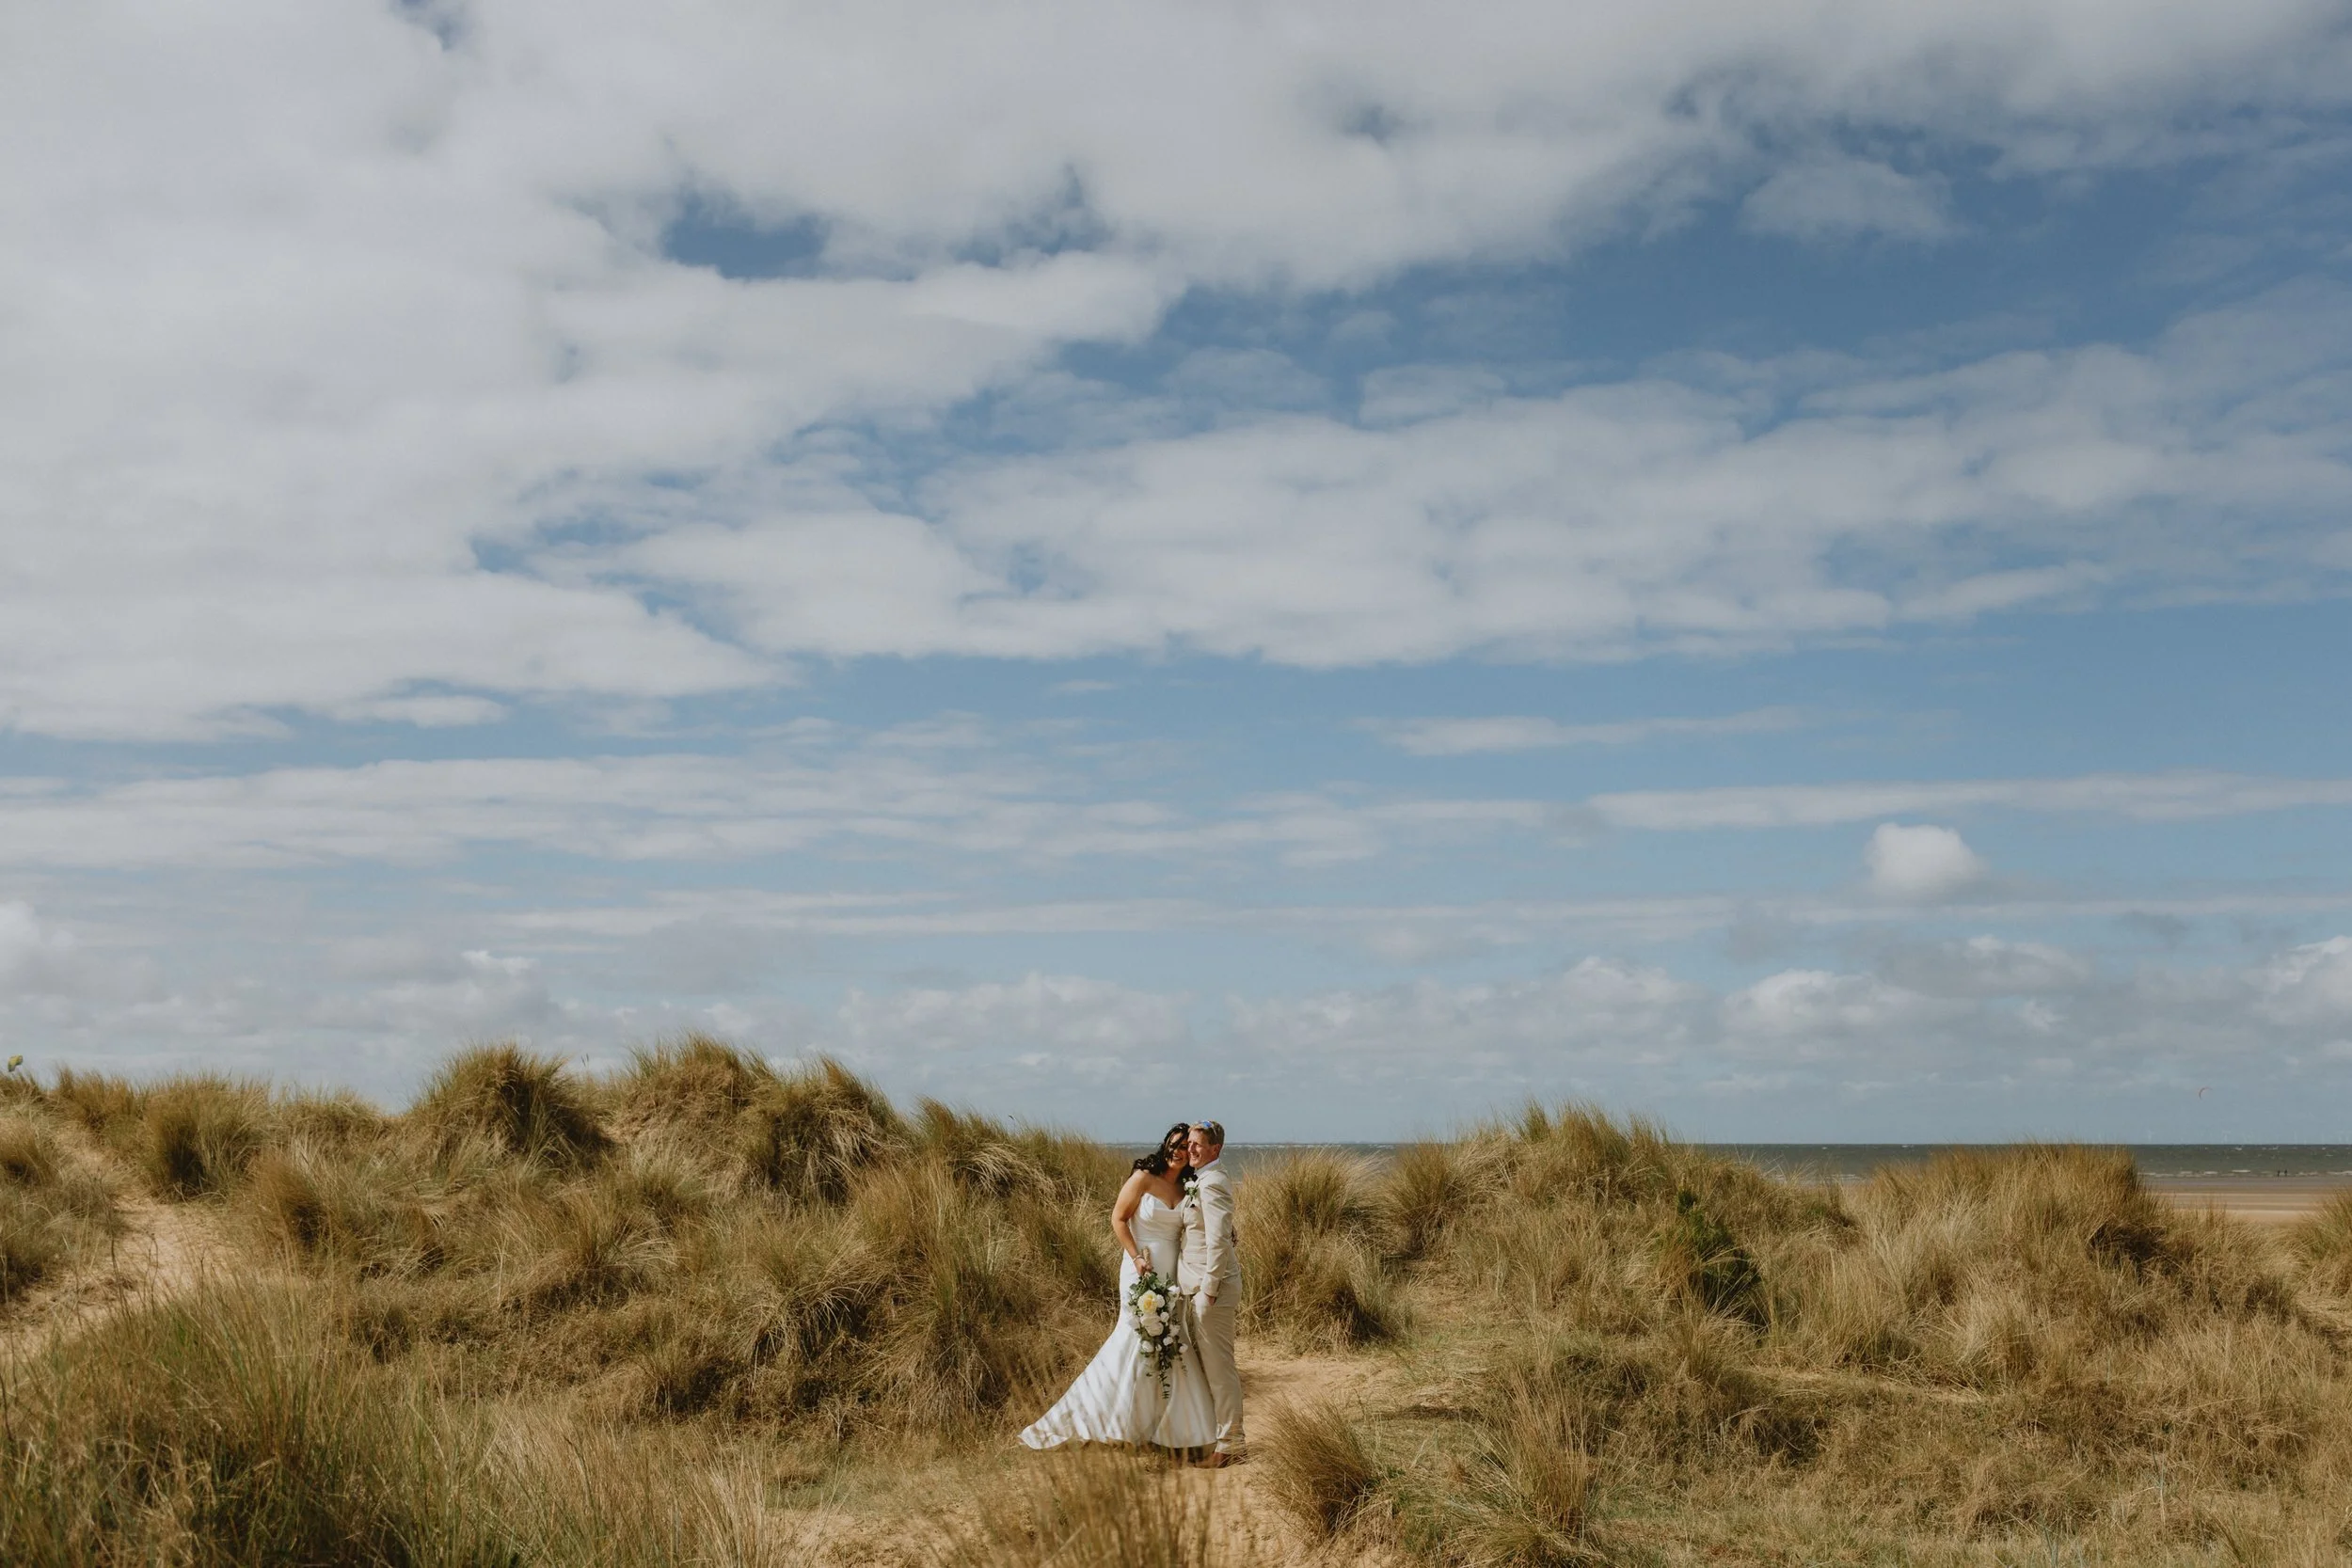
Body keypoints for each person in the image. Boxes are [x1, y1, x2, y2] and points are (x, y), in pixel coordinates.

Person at [1018, 1125, 1217, 1451]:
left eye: (1186, 1146)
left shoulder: (1188, 1188)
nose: (1179, 1151)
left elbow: (1202, 1224)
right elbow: (1118, 1219)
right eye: (1174, 1144)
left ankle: (1172, 1430)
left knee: (1171, 1338)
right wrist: (1137, 1258)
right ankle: (1099, 1418)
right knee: (1134, 1337)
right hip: (1140, 1266)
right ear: (1166, 1144)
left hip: (1172, 1275)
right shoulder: (1142, 1177)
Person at [1177, 1119, 1245, 1465]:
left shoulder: (1213, 1182)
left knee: (1220, 1370)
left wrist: (1209, 1290)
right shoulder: (1202, 1180)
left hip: (1211, 1292)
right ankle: (1215, 1436)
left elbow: (1219, 1241)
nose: (1191, 1149)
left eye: (1197, 1145)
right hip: (1199, 1288)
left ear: (1215, 1149)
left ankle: (1232, 1445)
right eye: (1189, 1143)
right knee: (1208, 1369)